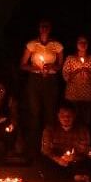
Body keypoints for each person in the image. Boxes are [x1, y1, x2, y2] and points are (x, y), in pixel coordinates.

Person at [20, 19, 63, 155]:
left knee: (50, 112)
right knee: (35, 112)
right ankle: (33, 146)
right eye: (42, 26)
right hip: (35, 80)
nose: (44, 29)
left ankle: (50, 146)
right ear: (39, 29)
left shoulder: (56, 45)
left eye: (46, 26)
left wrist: (51, 66)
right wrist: (36, 69)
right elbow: (22, 64)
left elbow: (60, 65)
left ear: (50, 29)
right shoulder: (32, 44)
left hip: (50, 80)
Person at [39, 103, 91, 182]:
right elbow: (45, 149)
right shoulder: (50, 129)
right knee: (43, 164)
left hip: (75, 161)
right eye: (62, 115)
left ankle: (68, 176)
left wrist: (74, 157)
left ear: (74, 116)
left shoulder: (82, 129)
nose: (66, 118)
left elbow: (85, 150)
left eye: (69, 115)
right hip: (55, 160)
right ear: (58, 116)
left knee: (89, 161)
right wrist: (58, 159)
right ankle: (74, 176)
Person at [62, 35, 91, 129]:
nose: (83, 44)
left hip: (88, 96)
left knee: (85, 122)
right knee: (72, 121)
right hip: (73, 96)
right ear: (76, 44)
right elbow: (65, 77)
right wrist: (76, 71)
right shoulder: (70, 59)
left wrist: (88, 72)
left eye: (85, 42)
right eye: (80, 42)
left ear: (88, 45)